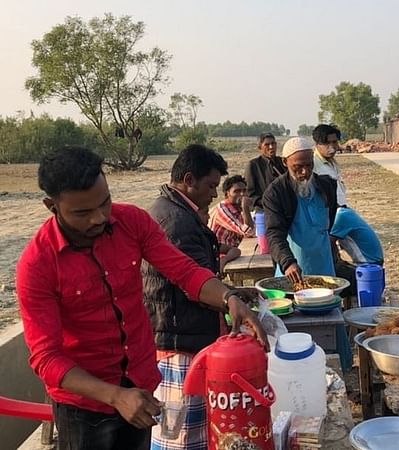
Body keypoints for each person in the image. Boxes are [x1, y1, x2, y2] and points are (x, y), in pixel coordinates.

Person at [16, 147, 264, 450]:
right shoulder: (37, 264)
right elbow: (46, 358)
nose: (99, 218)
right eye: (82, 213)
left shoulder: (131, 221)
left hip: (140, 386)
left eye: (104, 202)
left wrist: (228, 297)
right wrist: (115, 396)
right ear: (51, 206)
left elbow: (184, 271)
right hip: (85, 406)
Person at [142, 145, 267, 450]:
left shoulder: (178, 212)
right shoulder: (175, 221)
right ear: (189, 179)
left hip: (185, 333)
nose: (214, 194)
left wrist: (232, 296)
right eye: (211, 186)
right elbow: (193, 280)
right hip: (178, 342)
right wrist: (230, 299)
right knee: (180, 437)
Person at [264, 137, 339, 284]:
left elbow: (329, 223)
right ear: (285, 162)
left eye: (309, 165)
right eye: (297, 167)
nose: (305, 172)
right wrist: (288, 263)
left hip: (325, 270)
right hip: (293, 273)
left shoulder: (327, 186)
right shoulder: (276, 193)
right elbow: (274, 234)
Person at [209, 174, 255, 249]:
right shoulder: (222, 208)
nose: (242, 194)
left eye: (244, 191)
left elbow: (252, 230)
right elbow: (248, 232)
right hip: (221, 254)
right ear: (227, 194)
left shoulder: (237, 208)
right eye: (237, 191)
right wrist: (245, 207)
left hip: (233, 250)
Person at [244, 132, 286, 211]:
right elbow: (249, 193)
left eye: (273, 144)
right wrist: (265, 202)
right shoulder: (253, 165)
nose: (271, 147)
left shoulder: (283, 162)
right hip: (264, 210)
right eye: (267, 145)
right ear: (260, 147)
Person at [311, 124, 348, 206]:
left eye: (334, 142)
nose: (332, 147)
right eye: (326, 143)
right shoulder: (314, 166)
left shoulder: (333, 163)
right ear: (317, 144)